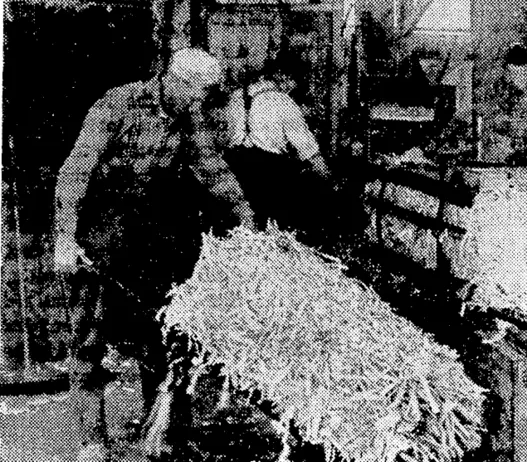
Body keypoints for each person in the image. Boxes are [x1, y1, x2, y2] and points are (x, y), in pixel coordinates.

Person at [54, 48, 254, 462]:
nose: (203, 105)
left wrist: (249, 227)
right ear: (179, 82)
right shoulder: (117, 105)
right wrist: (66, 240)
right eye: (200, 94)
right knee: (88, 341)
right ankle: (92, 440)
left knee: (158, 339)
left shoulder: (190, 119)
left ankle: (157, 432)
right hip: (101, 236)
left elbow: (214, 173)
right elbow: (75, 173)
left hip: (149, 243)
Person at [223, 62, 333, 242]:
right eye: (294, 83)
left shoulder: (234, 97)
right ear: (285, 78)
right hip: (268, 174)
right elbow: (308, 150)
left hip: (235, 170)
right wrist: (328, 179)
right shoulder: (283, 101)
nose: (293, 89)